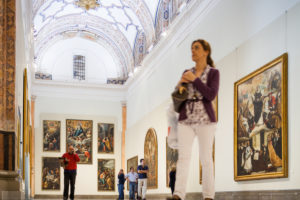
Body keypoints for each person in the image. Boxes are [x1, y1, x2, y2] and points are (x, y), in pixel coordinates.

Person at [172, 39, 219, 200]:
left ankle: (208, 195)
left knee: (206, 158)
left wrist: (195, 79)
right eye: (191, 48)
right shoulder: (187, 71)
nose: (193, 51)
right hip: (186, 119)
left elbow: (211, 94)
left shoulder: (213, 73)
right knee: (183, 157)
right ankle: (178, 194)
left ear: (206, 51)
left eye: (197, 48)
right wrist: (180, 83)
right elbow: (178, 95)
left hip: (206, 120)